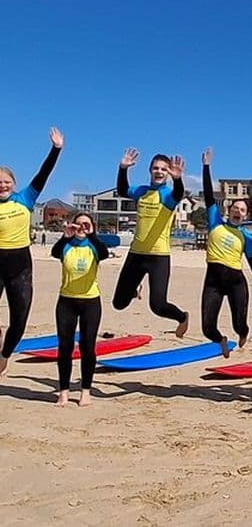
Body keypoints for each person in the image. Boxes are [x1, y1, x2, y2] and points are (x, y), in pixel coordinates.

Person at [0, 127, 64, 376]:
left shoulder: (25, 198)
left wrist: (55, 149)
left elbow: (43, 173)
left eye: (6, 182)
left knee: (20, 318)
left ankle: (5, 354)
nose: (2, 185)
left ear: (14, 184)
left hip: (20, 266)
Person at [200, 148, 252, 357]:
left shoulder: (246, 237)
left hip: (236, 282)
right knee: (207, 327)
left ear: (246, 215)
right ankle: (220, 340)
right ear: (228, 210)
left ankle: (243, 332)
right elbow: (208, 195)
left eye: (242, 210)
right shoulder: (215, 223)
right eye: (234, 208)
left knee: (239, 323)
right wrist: (206, 167)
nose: (237, 211)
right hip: (212, 280)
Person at [112, 148, 189, 337]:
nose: (159, 172)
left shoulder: (168, 195)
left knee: (158, 305)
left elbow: (178, 194)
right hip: (136, 255)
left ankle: (182, 317)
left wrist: (178, 179)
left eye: (164, 169)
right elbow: (122, 190)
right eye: (156, 168)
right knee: (118, 304)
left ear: (168, 174)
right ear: (150, 170)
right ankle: (134, 288)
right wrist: (123, 168)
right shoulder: (142, 192)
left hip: (158, 257)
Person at [51, 213, 109, 406]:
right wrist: (65, 236)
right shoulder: (66, 246)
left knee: (87, 346)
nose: (82, 228)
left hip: (90, 302)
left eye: (86, 224)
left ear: (91, 227)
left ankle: (86, 391)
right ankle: (64, 392)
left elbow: (105, 253)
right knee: (65, 347)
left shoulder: (94, 246)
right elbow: (54, 252)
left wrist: (92, 235)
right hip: (66, 302)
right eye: (79, 224)